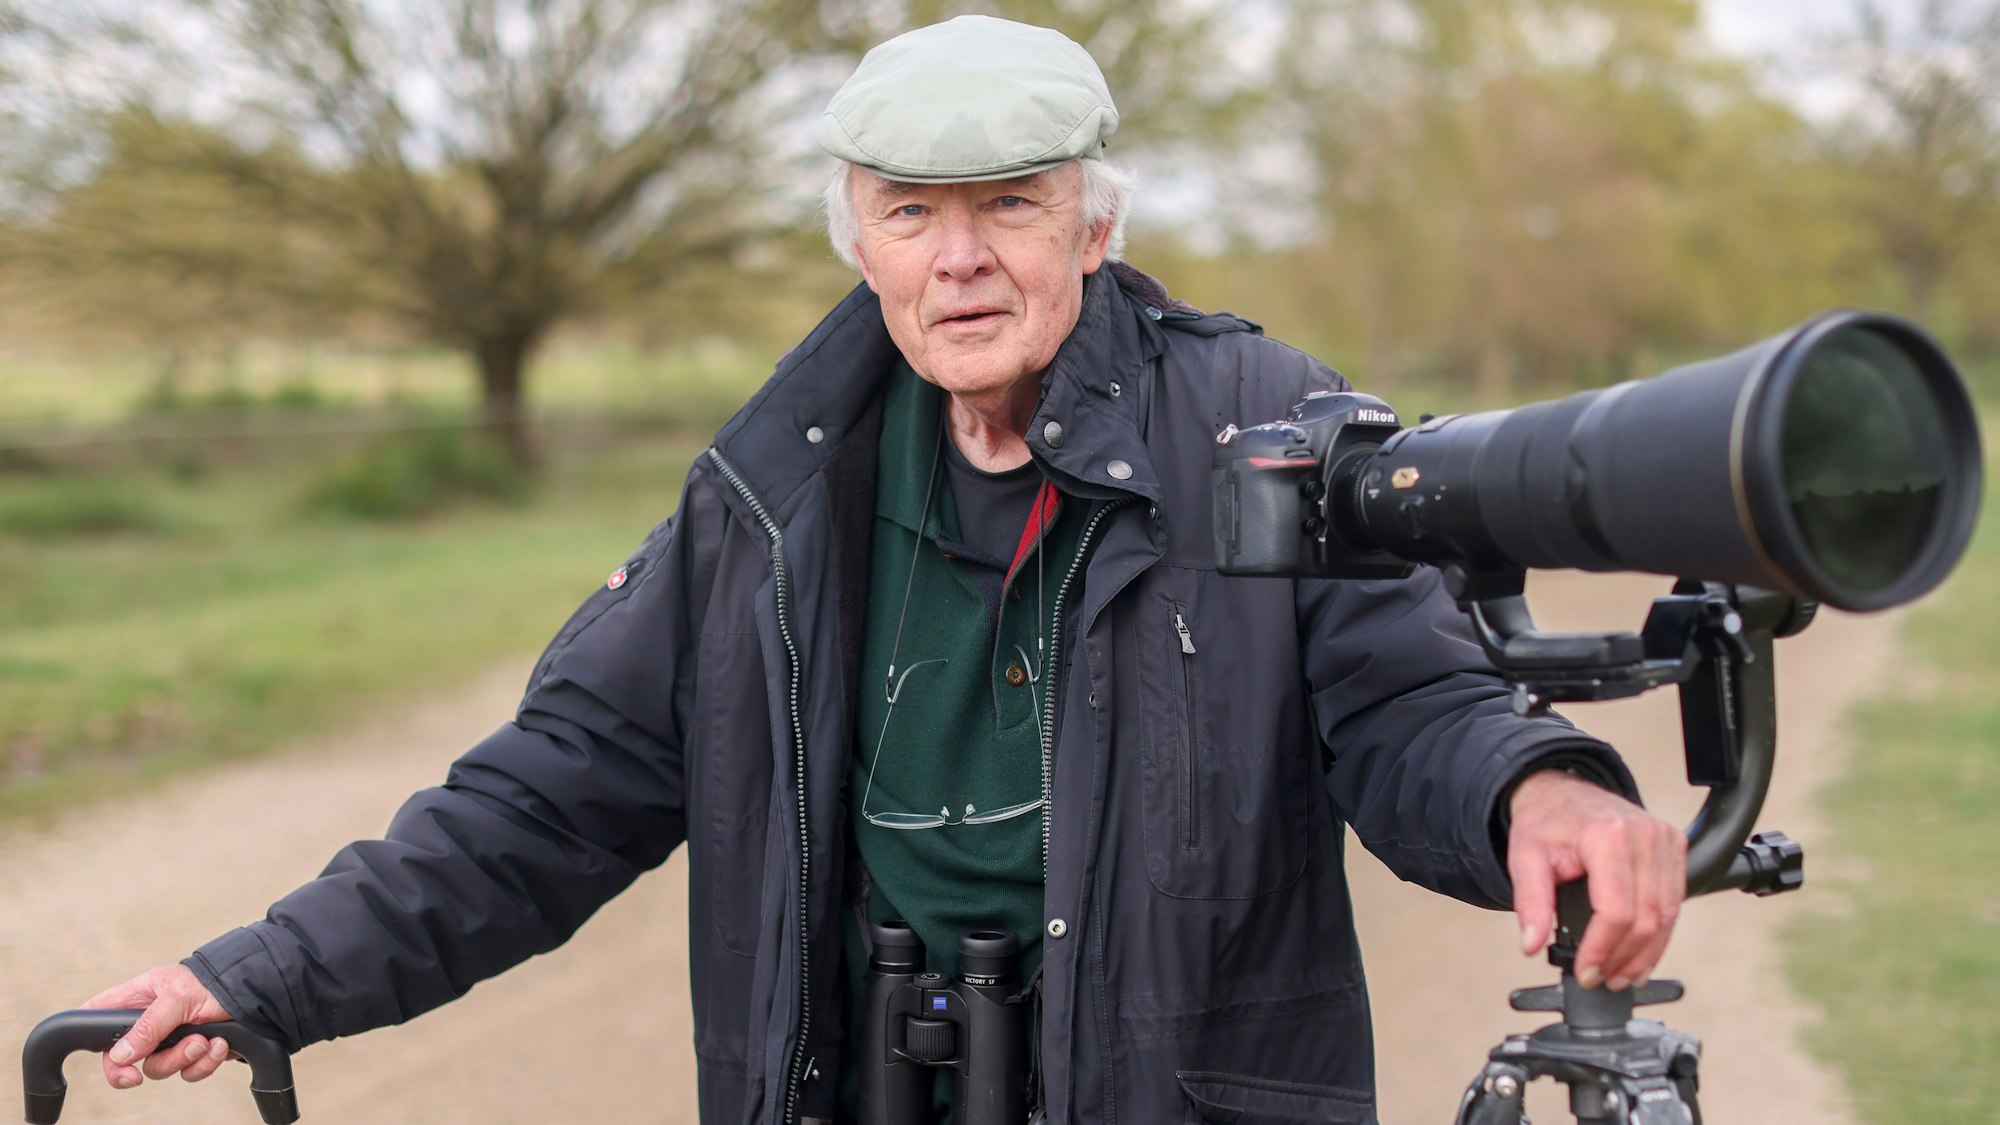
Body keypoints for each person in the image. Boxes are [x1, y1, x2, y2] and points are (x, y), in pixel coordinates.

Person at [83, 16, 1686, 1124]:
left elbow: (1405, 693)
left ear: (1093, 227)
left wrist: (1532, 788)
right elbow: (551, 794)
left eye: (1010, 206)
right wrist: (263, 974)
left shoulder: (1258, 419)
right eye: (912, 211)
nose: (960, 257)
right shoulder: (769, 483)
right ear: (858, 237)